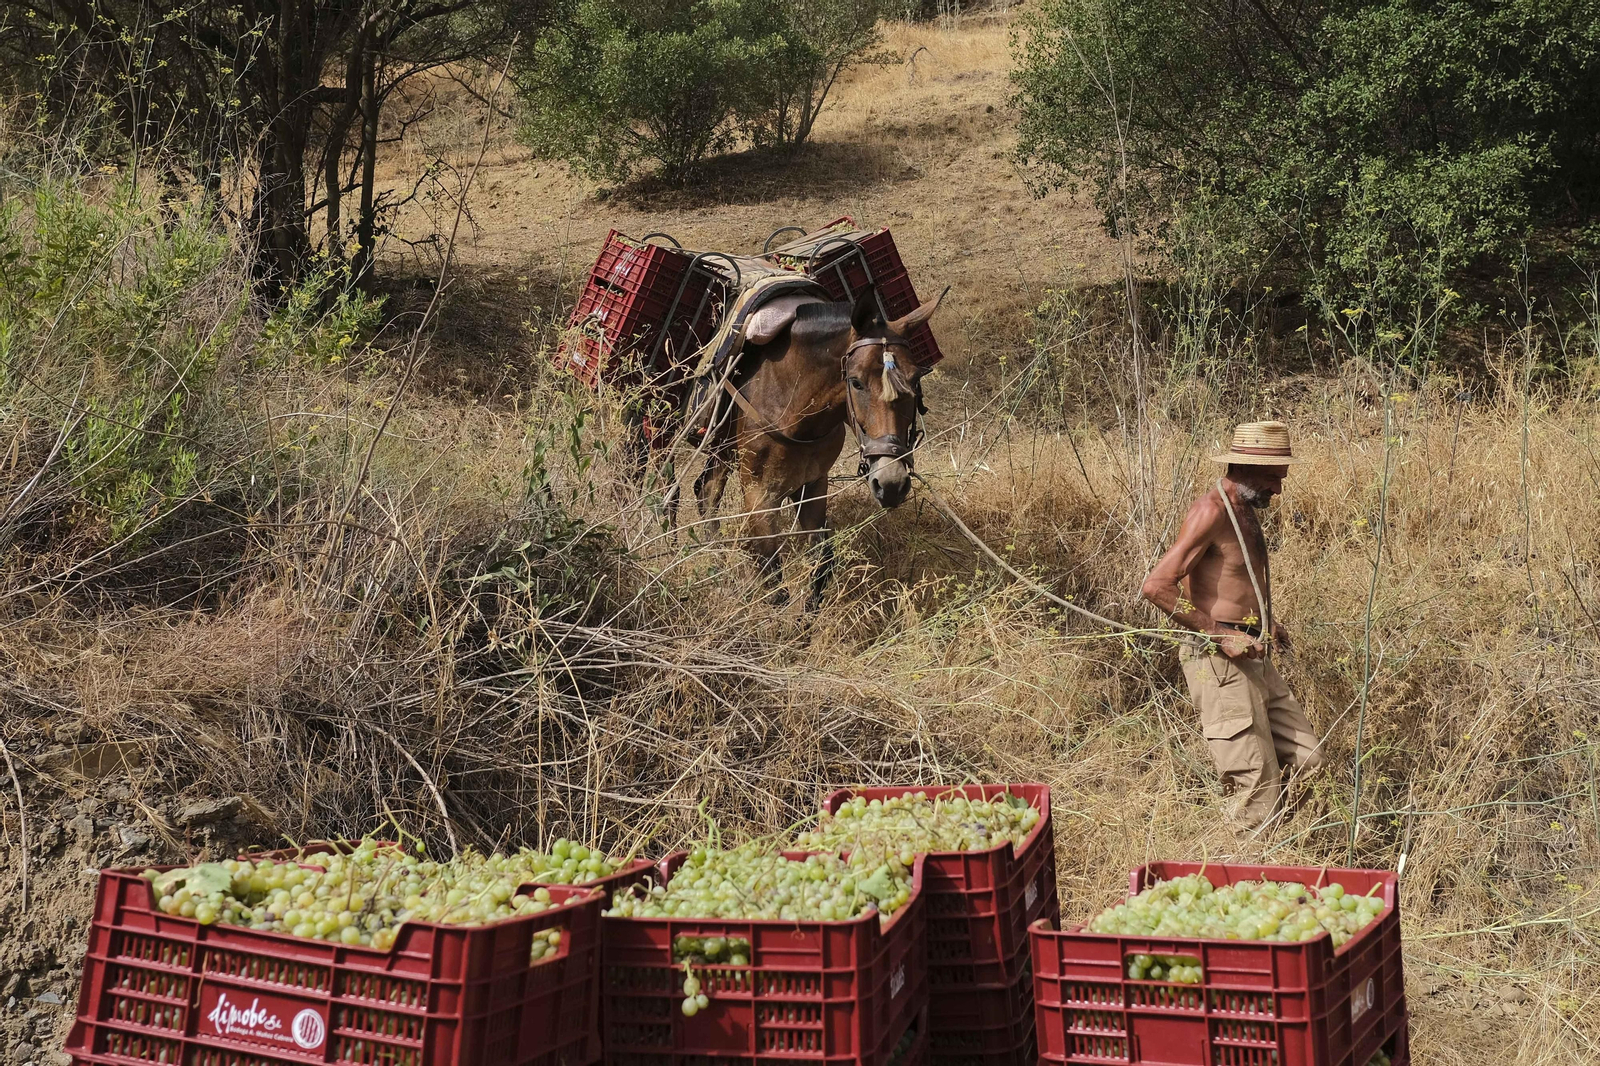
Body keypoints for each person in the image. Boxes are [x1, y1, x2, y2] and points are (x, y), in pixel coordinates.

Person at [1141, 420, 1325, 833]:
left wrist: (1267, 622)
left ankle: (1283, 842)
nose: (1278, 489)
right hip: (1219, 658)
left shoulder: (1243, 508)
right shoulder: (1212, 510)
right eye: (1273, 478)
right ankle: (1247, 868)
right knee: (1254, 785)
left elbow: (1233, 581)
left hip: (1252, 651)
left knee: (1309, 760)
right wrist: (1222, 634)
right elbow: (1156, 586)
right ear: (1243, 467)